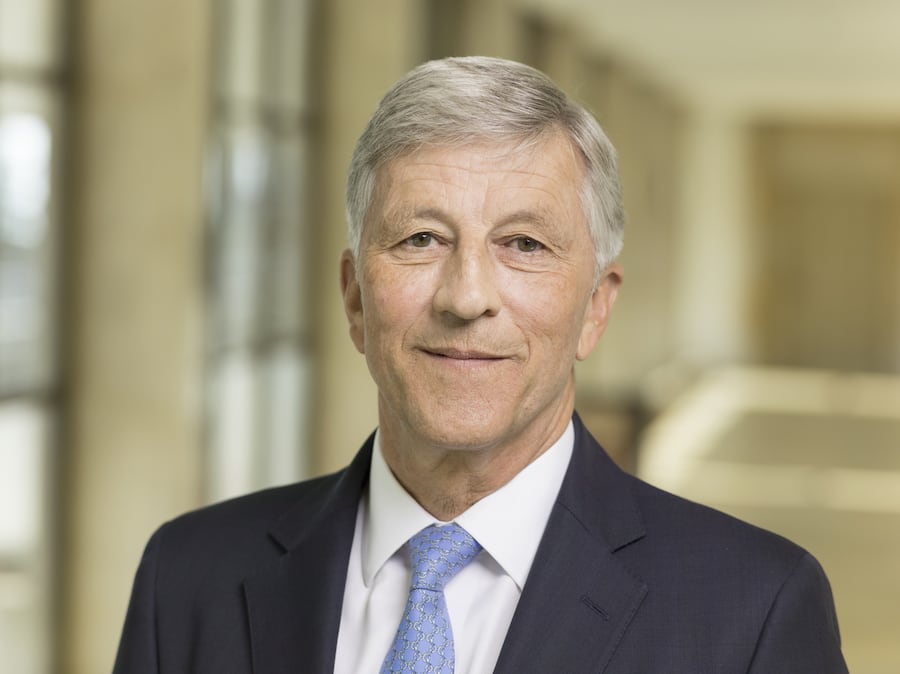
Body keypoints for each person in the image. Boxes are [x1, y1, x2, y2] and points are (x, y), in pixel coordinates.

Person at [113, 56, 847, 673]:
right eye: (421, 239)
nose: (467, 298)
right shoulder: (186, 580)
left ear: (596, 305)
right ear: (355, 300)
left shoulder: (754, 611)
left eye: (524, 245)